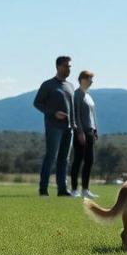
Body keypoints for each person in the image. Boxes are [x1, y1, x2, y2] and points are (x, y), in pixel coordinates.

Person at [32, 55, 77, 197]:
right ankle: (43, 189)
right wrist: (53, 113)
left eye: (70, 66)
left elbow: (72, 107)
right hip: (53, 126)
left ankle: (62, 189)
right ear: (57, 67)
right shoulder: (48, 85)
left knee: (64, 159)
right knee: (51, 156)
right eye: (66, 66)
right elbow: (37, 103)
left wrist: (75, 124)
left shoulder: (70, 86)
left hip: (69, 128)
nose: (68, 69)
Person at [69, 70, 99, 199]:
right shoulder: (77, 95)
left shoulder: (88, 96)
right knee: (78, 160)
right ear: (82, 79)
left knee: (89, 161)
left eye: (92, 79)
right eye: (89, 79)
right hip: (81, 133)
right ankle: (74, 189)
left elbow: (92, 115)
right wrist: (80, 132)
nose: (91, 81)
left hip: (90, 132)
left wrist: (95, 129)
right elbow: (76, 116)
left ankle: (85, 190)